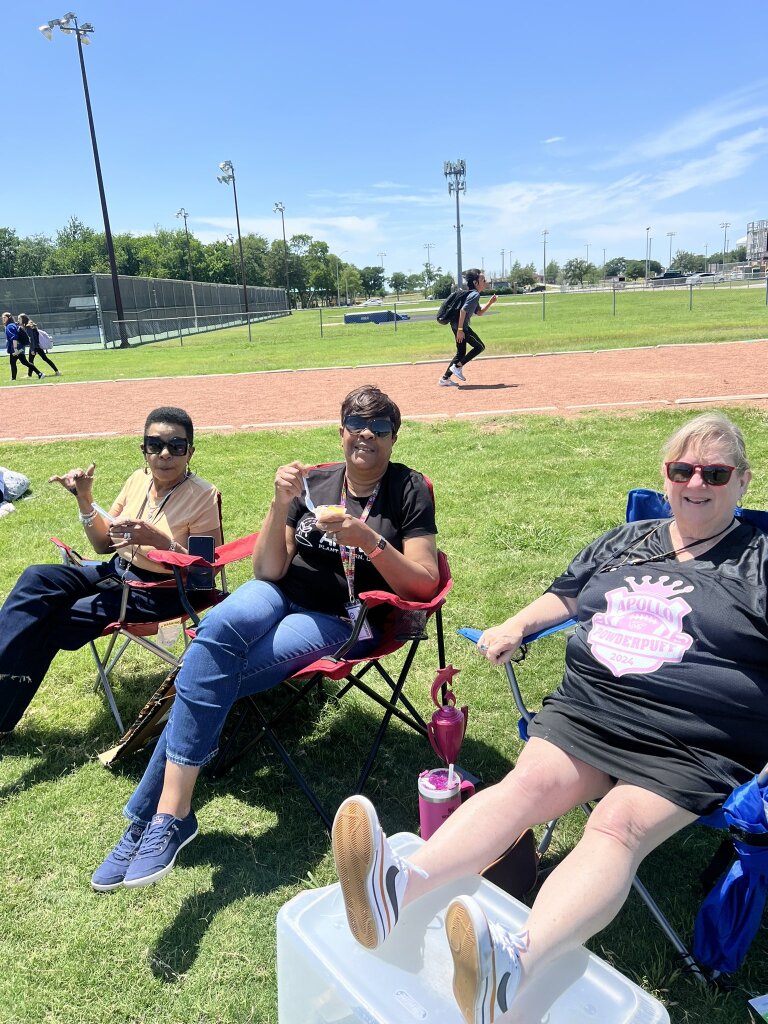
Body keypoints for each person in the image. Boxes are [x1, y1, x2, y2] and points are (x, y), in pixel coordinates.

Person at [331, 411, 768, 1024]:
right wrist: (515, 624)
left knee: (616, 826)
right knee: (524, 788)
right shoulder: (628, 539)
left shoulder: (759, 557)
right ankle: (394, 888)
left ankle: (514, 964)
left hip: (691, 734)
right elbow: (566, 594)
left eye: (715, 472)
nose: (697, 481)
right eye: (682, 469)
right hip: (591, 709)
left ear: (743, 482)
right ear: (665, 477)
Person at [91, 384, 440, 892]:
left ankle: (152, 819)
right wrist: (279, 506)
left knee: (204, 677)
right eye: (356, 426)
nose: (367, 436)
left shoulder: (409, 489)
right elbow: (268, 568)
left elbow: (425, 582)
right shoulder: (316, 483)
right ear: (340, 430)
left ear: (394, 436)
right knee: (213, 633)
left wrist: (370, 541)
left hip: (337, 617)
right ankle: (170, 816)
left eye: (380, 429)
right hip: (278, 592)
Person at [0, 406, 221, 734]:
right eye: (154, 444)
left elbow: (203, 576)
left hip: (159, 591)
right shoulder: (137, 480)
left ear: (190, 451)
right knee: (37, 577)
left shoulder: (203, 495)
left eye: (176, 446)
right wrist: (85, 500)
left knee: (52, 620)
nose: (164, 453)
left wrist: (161, 541)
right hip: (115, 571)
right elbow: (105, 544)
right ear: (143, 448)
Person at [438, 269, 497, 388]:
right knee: (479, 346)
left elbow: (479, 312)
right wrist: (460, 330)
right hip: (460, 327)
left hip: (456, 325)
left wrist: (490, 303)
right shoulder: (474, 294)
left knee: (461, 353)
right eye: (483, 280)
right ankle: (458, 367)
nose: (485, 282)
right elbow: (463, 310)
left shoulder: (472, 294)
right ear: (476, 283)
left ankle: (445, 379)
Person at [2, 312, 44, 381]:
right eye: (3, 318)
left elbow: (14, 337)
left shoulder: (10, 326)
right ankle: (40, 374)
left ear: (9, 318)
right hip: (19, 347)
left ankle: (13, 379)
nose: (3, 319)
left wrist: (15, 349)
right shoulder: (12, 325)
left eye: (5, 317)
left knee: (13, 362)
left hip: (16, 348)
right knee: (24, 362)